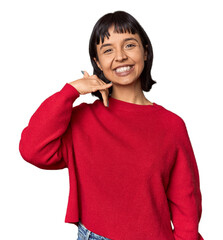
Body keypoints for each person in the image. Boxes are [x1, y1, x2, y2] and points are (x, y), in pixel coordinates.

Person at [19, 10, 204, 240]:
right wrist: (72, 90)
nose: (120, 56)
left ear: (145, 51)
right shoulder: (82, 120)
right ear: (97, 63)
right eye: (108, 50)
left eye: (129, 45)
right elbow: (32, 149)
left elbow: (186, 204)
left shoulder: (171, 125)